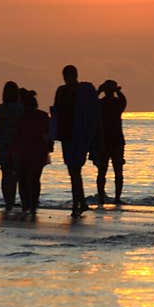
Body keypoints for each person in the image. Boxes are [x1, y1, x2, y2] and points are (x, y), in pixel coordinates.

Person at [52, 65, 100, 217]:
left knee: (75, 170)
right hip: (71, 134)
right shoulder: (66, 90)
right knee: (74, 170)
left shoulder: (81, 89)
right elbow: (56, 113)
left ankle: (77, 203)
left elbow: (55, 112)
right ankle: (79, 203)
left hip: (77, 134)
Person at [12, 90, 52, 215]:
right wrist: (49, 146)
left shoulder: (20, 116)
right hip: (39, 150)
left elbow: (16, 135)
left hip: (23, 150)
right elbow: (48, 134)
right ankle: (33, 204)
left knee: (23, 179)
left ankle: (26, 205)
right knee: (35, 179)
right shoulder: (43, 115)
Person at [0, 81, 24, 211]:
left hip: (4, 145)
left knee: (6, 175)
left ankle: (8, 202)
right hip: (17, 144)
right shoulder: (20, 108)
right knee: (16, 175)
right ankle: (14, 200)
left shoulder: (0, 108)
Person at [94, 80, 127, 205]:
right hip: (114, 141)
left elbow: (91, 103)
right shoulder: (117, 103)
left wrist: (99, 90)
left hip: (105, 141)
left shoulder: (100, 104)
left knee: (103, 171)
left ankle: (102, 198)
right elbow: (124, 100)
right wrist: (118, 91)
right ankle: (116, 198)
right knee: (117, 171)